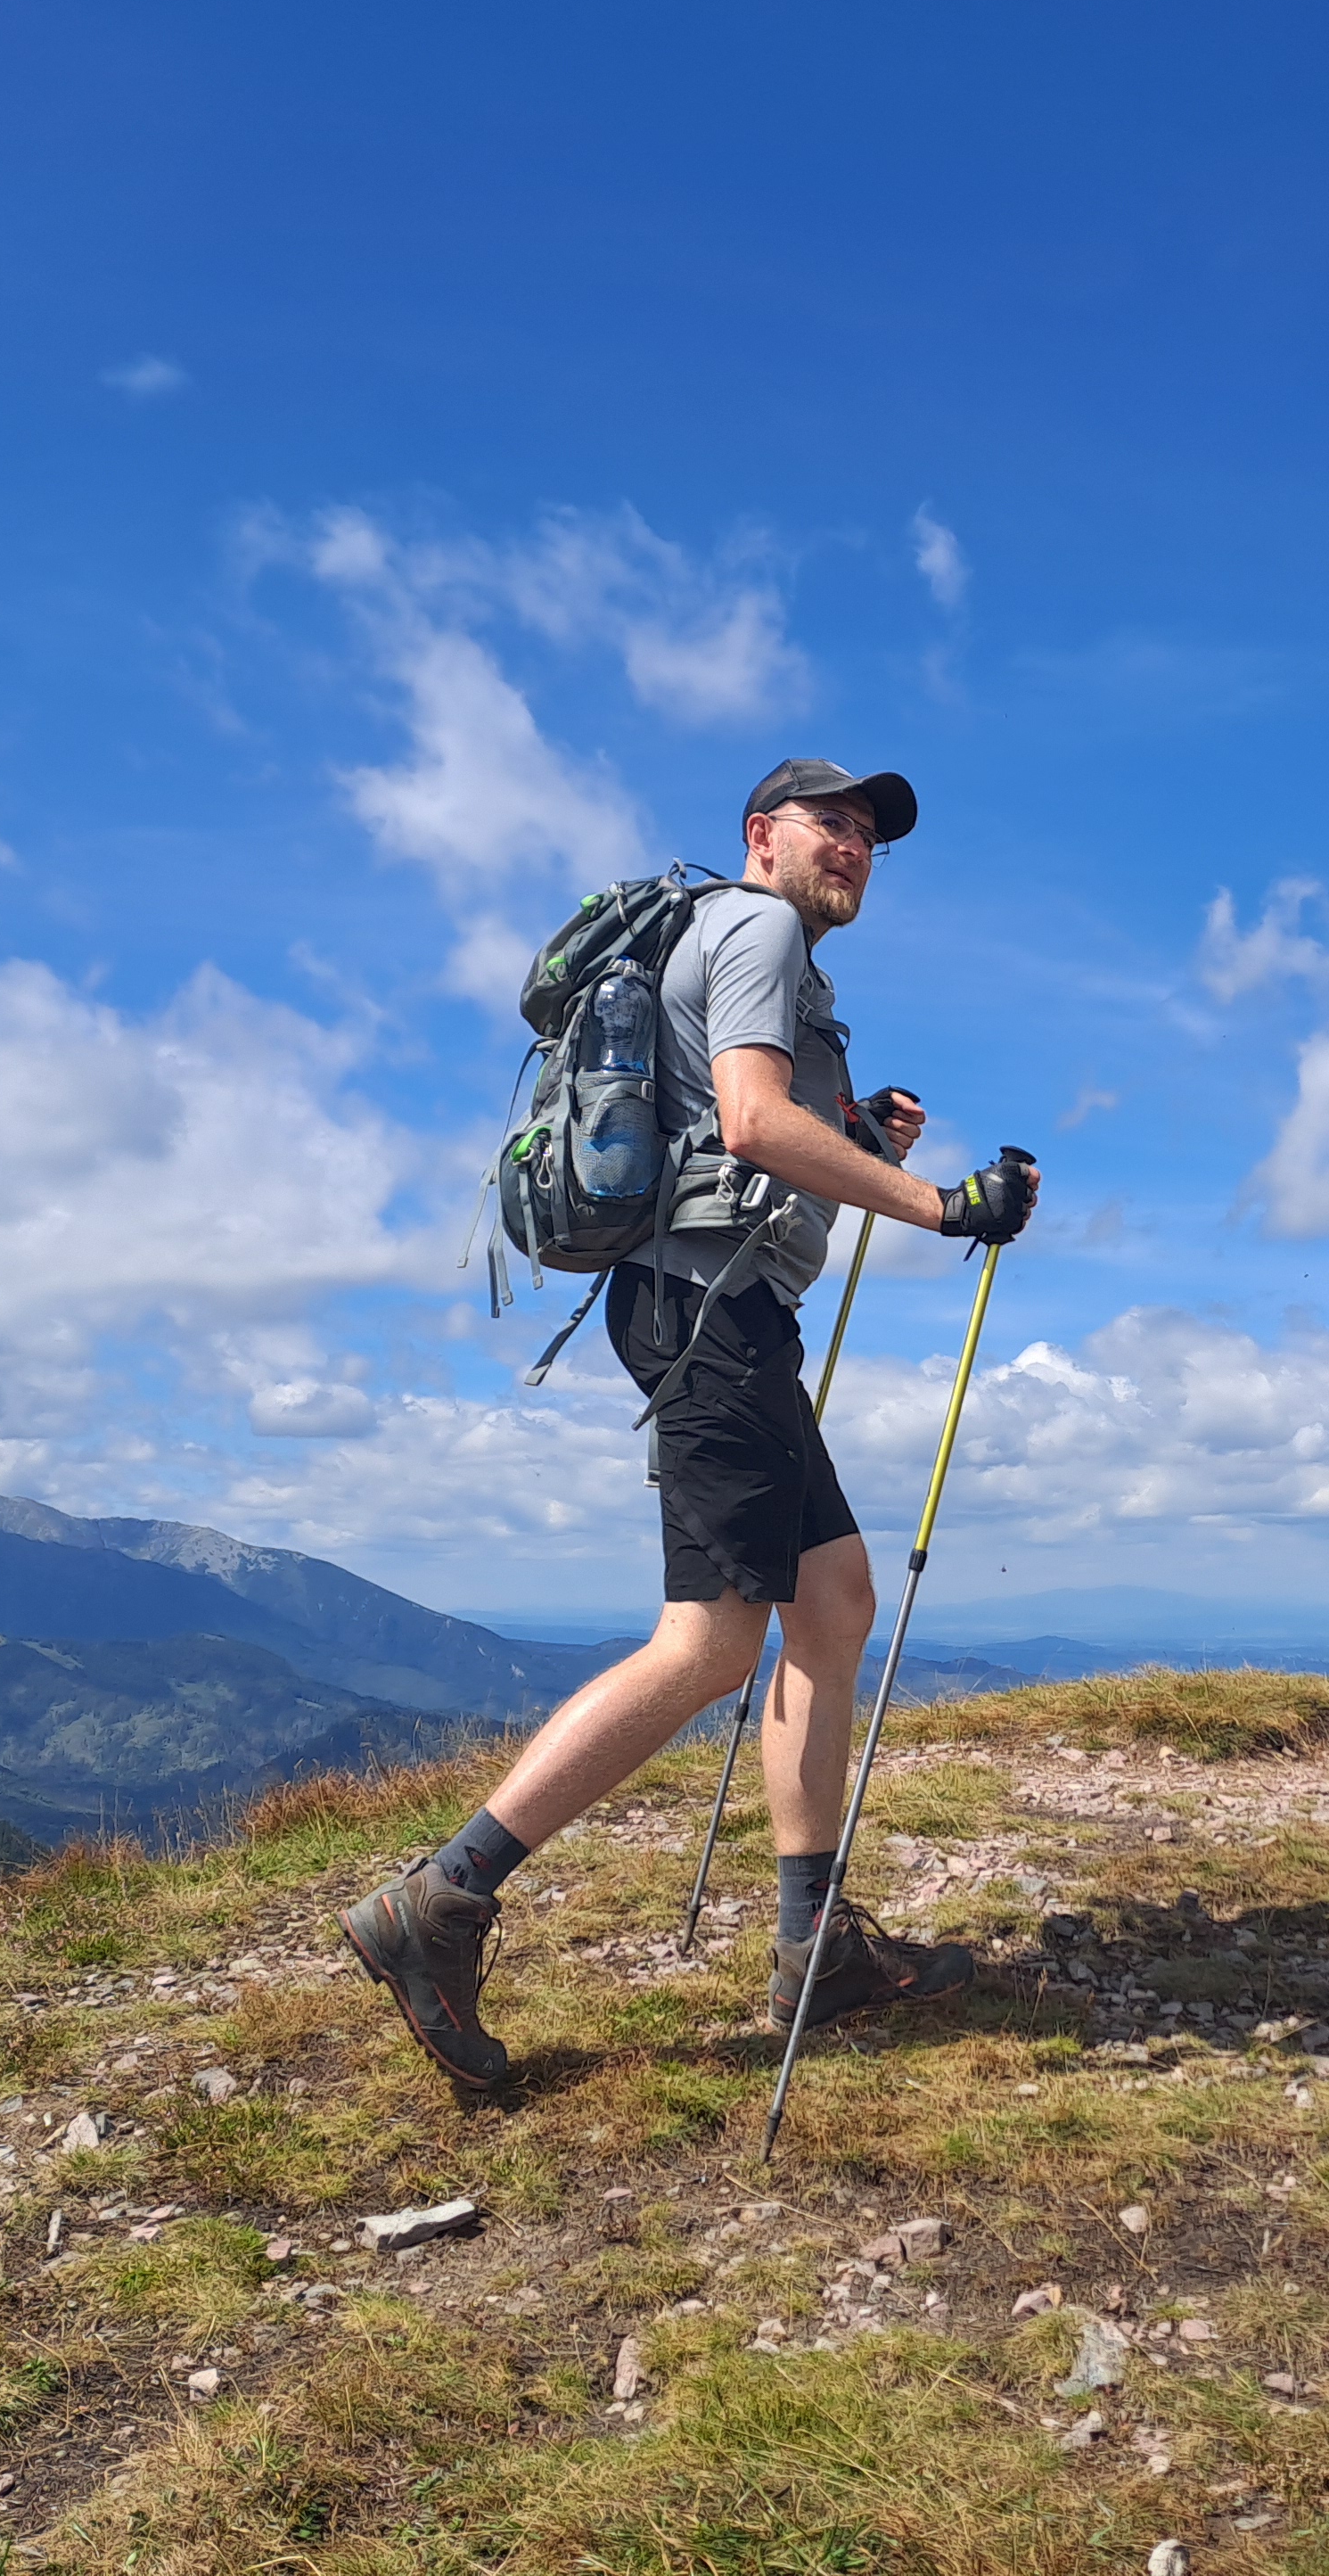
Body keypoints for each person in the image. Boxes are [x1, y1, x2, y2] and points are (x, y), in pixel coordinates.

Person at [340, 757, 1040, 2088]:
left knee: (830, 1602)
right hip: (708, 1309)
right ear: (759, 837)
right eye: (829, 822)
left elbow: (756, 1125)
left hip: (714, 1307)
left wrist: (859, 1133)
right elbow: (753, 1124)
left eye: (869, 834)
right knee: (715, 1638)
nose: (853, 846)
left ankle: (812, 1948)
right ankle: (439, 1903)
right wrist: (944, 1202)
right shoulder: (760, 924)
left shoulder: (737, 940)